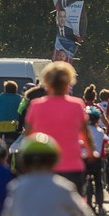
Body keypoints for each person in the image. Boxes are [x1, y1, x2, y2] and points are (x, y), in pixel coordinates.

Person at [24, 61, 94, 194]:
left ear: (47, 84)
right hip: (72, 167)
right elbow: (85, 134)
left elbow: (28, 135)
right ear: (68, 83)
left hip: (43, 168)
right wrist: (91, 152)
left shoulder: (36, 105)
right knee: (75, 203)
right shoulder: (77, 105)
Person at [83, 106, 106, 216]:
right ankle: (100, 206)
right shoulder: (100, 131)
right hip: (96, 160)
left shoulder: (81, 131)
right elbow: (106, 143)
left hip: (83, 159)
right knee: (98, 183)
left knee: (81, 181)